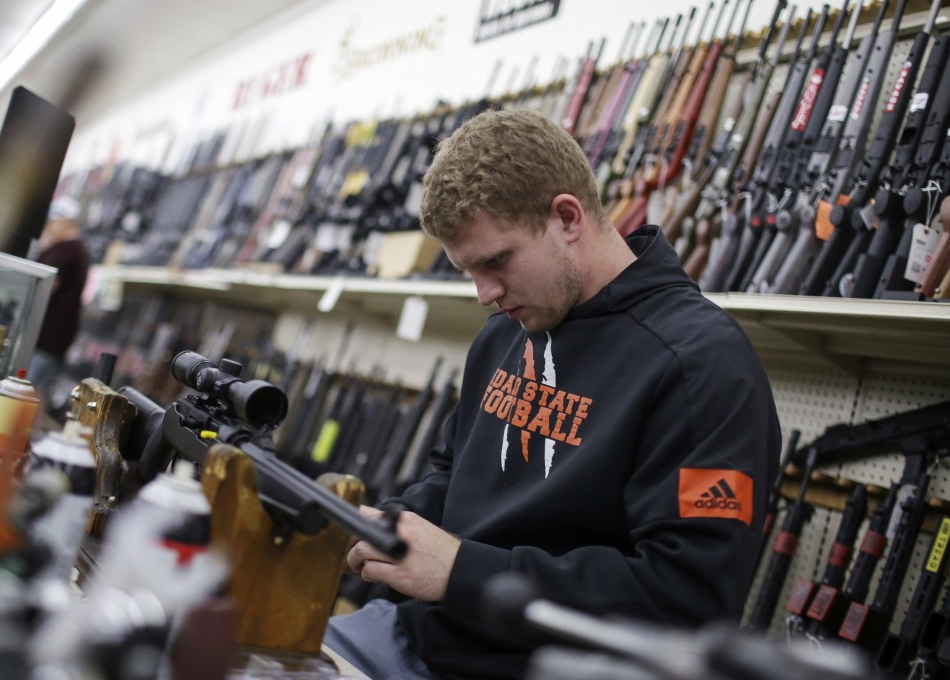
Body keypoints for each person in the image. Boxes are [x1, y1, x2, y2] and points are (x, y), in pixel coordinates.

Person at [322, 109, 781, 680]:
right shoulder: (508, 332)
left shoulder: (703, 366)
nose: (486, 294)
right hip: (412, 636)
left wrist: (462, 570)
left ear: (567, 218)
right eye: (468, 271)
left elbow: (688, 598)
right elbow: (453, 470)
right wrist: (389, 528)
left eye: (496, 262)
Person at [26, 195, 90, 408]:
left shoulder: (66, 250)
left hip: (46, 339)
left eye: (51, 223)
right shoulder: (75, 250)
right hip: (51, 340)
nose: (49, 228)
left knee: (27, 393)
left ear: (63, 222)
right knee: (34, 393)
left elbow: (45, 287)